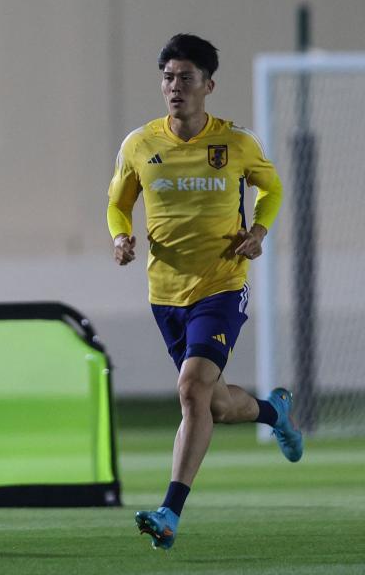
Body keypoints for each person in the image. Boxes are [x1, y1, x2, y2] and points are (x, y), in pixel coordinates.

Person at [106, 33, 304, 550]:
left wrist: (258, 232)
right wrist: (120, 236)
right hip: (164, 292)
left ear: (208, 85)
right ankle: (272, 412)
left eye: (185, 78)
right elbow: (117, 202)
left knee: (191, 390)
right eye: (168, 77)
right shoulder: (140, 144)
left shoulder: (237, 143)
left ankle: (169, 513)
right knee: (212, 405)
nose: (174, 87)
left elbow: (273, 187)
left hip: (221, 284)